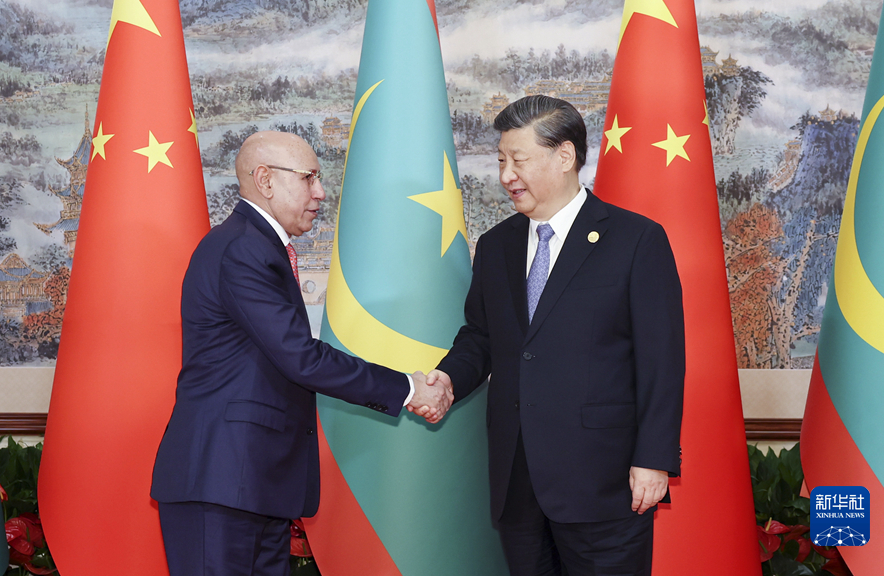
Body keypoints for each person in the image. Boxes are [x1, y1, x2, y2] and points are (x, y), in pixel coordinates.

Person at [151, 130, 451, 576]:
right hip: (221, 482)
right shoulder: (242, 250)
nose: (320, 192)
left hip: (255, 484)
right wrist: (407, 387)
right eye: (309, 178)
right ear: (266, 180)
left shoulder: (259, 247)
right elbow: (301, 358)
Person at [422, 96, 685, 576]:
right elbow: (481, 337)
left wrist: (654, 459)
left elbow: (661, 360)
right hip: (517, 482)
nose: (505, 175)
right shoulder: (496, 245)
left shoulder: (636, 240)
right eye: (501, 161)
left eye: (518, 160)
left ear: (564, 157)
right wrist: (447, 379)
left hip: (604, 481)